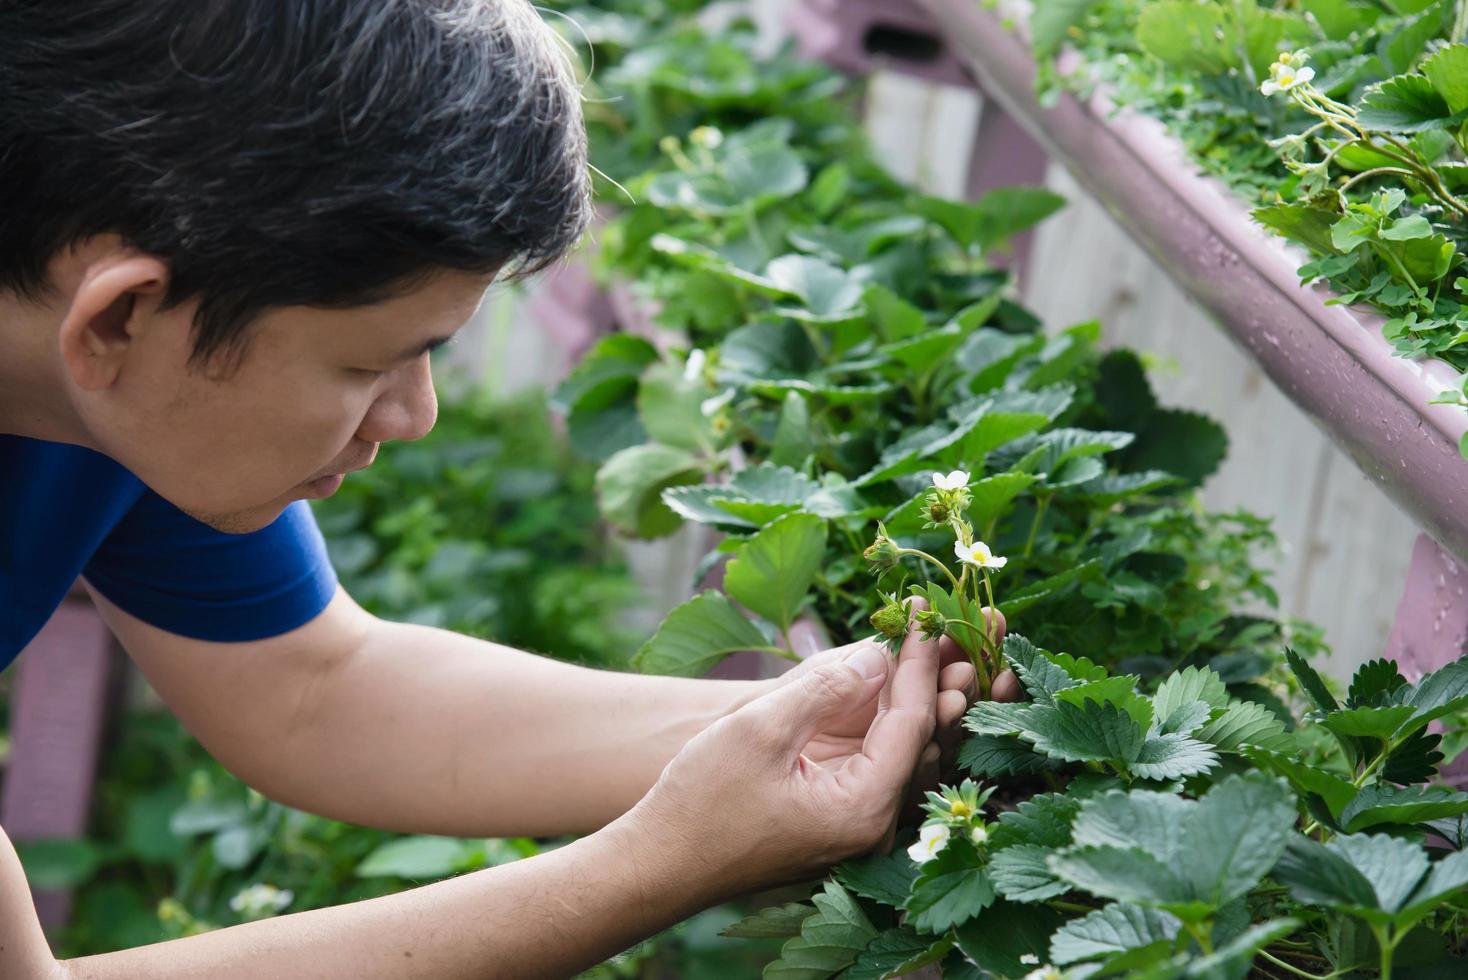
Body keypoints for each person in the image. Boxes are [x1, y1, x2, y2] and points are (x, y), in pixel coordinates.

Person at [0, 2, 1015, 977]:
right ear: (121, 318)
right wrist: (661, 862)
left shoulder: (122, 391)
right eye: (368, 366)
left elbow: (306, 685)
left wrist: (801, 724)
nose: (413, 415)